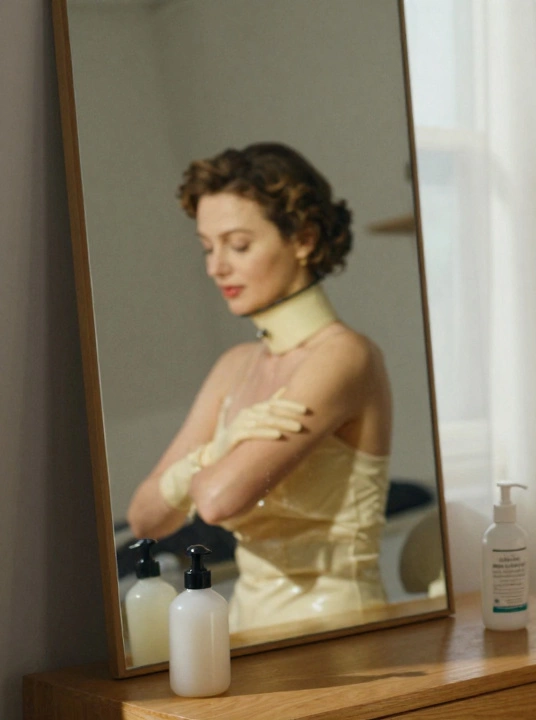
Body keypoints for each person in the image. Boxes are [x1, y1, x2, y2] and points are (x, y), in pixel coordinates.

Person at [126, 142, 395, 633]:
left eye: (239, 245)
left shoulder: (344, 356)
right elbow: (145, 518)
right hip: (244, 623)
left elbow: (218, 501)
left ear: (304, 239)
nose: (216, 267)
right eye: (208, 247)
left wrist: (209, 462)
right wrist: (220, 450)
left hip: (336, 624)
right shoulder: (235, 365)